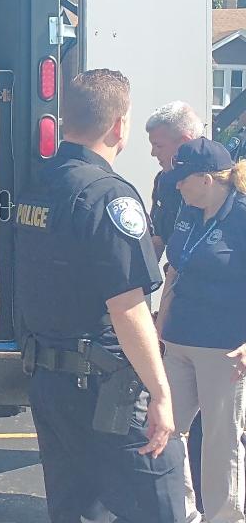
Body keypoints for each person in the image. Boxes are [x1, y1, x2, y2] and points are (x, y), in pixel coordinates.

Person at [15, 69, 185, 522]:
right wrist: (160, 392)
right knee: (160, 502)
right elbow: (128, 307)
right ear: (119, 125)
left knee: (76, 510)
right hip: (104, 389)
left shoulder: (40, 186)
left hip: (50, 381)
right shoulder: (108, 195)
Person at [158, 137, 246, 523]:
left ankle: (225, 518)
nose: (176, 185)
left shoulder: (242, 216)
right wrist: (159, 327)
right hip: (179, 340)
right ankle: (184, 514)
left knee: (220, 440)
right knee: (165, 430)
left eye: (183, 179)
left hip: (224, 347)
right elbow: (174, 269)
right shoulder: (189, 211)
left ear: (208, 179)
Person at [147, 102, 203, 260]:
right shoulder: (163, 180)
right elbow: (158, 238)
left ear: (184, 143)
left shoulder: (222, 183)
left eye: (158, 146)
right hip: (175, 279)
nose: (153, 153)